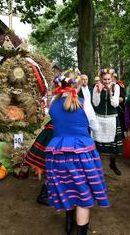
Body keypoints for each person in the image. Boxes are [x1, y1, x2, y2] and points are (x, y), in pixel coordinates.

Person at [44, 68, 109, 235]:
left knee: (67, 188)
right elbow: (94, 126)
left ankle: (68, 221)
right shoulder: (84, 103)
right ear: (78, 85)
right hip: (81, 153)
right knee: (83, 194)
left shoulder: (53, 104)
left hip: (57, 153)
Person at [92, 68, 123, 176]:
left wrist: (110, 92)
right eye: (104, 79)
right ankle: (96, 166)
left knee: (113, 145)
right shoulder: (96, 87)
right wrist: (99, 92)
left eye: (109, 79)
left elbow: (115, 104)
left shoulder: (116, 87)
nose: (107, 81)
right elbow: (95, 104)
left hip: (111, 119)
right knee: (98, 144)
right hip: (99, 118)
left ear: (112, 78)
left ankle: (113, 164)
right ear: (101, 79)